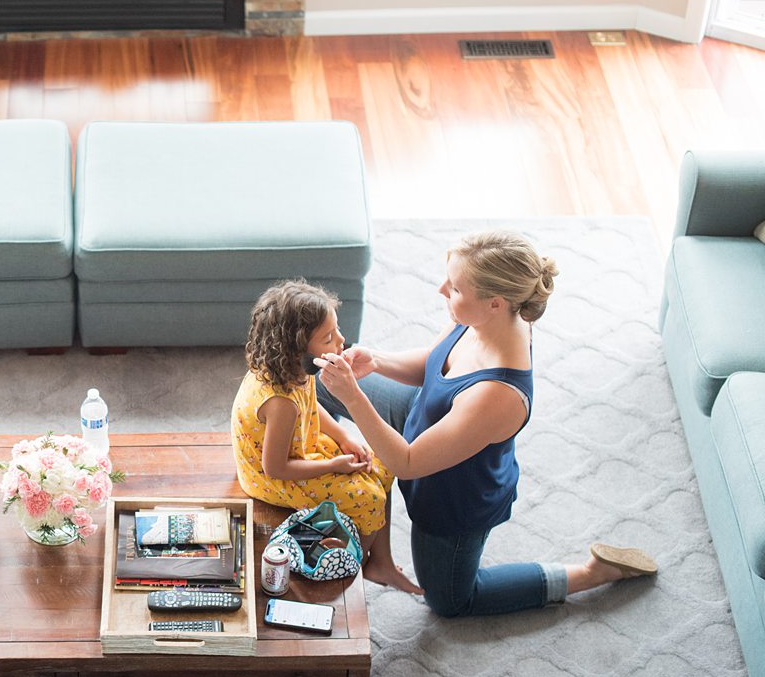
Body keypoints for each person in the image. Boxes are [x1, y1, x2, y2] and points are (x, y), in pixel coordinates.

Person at [317, 229, 657, 618]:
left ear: (495, 303)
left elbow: (407, 463)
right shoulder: (484, 318)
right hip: (425, 414)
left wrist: (354, 397)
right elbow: (435, 362)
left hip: (450, 496)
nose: (442, 289)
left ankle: (590, 573)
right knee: (319, 380)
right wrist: (377, 360)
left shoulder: (499, 395)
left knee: (448, 601)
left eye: (455, 288)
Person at [232, 279, 422, 594]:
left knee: (382, 466)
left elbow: (311, 406)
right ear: (297, 348)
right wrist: (335, 465)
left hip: (300, 446)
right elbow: (276, 469)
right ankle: (348, 571)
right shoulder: (279, 404)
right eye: (329, 337)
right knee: (369, 499)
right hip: (272, 476)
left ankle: (382, 563)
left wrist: (343, 436)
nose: (342, 341)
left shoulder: (293, 370)